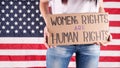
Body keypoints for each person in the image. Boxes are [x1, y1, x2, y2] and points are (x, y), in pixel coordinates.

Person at [39, 0, 112, 68]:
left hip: (91, 40)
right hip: (60, 39)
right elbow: (43, 2)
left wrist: (104, 28)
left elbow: (100, 6)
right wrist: (49, 24)